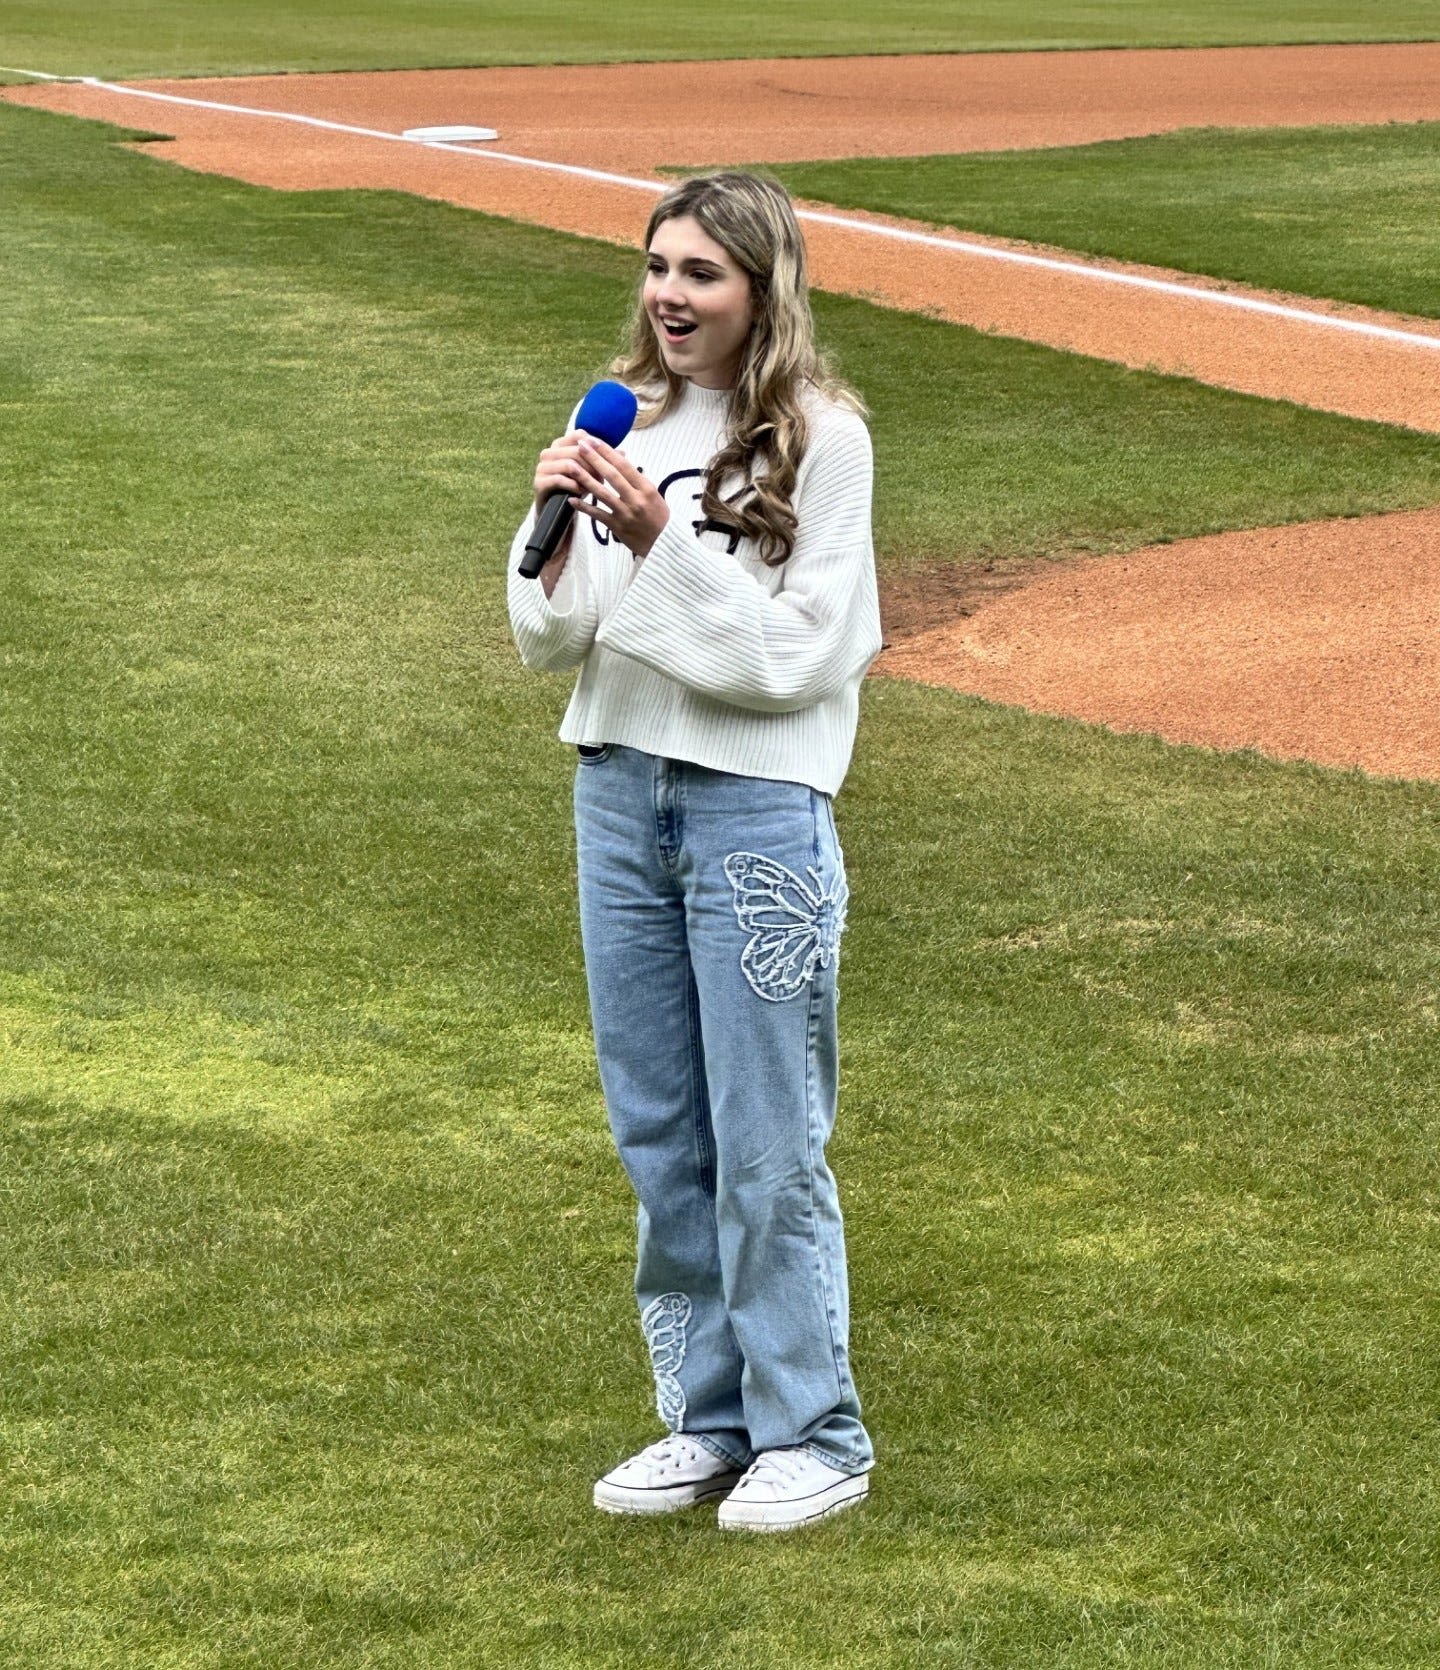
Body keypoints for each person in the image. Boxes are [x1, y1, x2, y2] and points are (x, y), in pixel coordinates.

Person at [505, 170, 882, 1533]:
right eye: (658, 266)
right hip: (617, 796)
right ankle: (708, 1418)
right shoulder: (618, 420)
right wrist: (548, 542)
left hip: (754, 810)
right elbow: (553, 639)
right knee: (662, 1130)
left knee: (767, 1132)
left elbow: (793, 658)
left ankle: (815, 1430)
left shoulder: (825, 442)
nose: (670, 294)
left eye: (702, 273)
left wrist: (664, 545)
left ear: (761, 287)